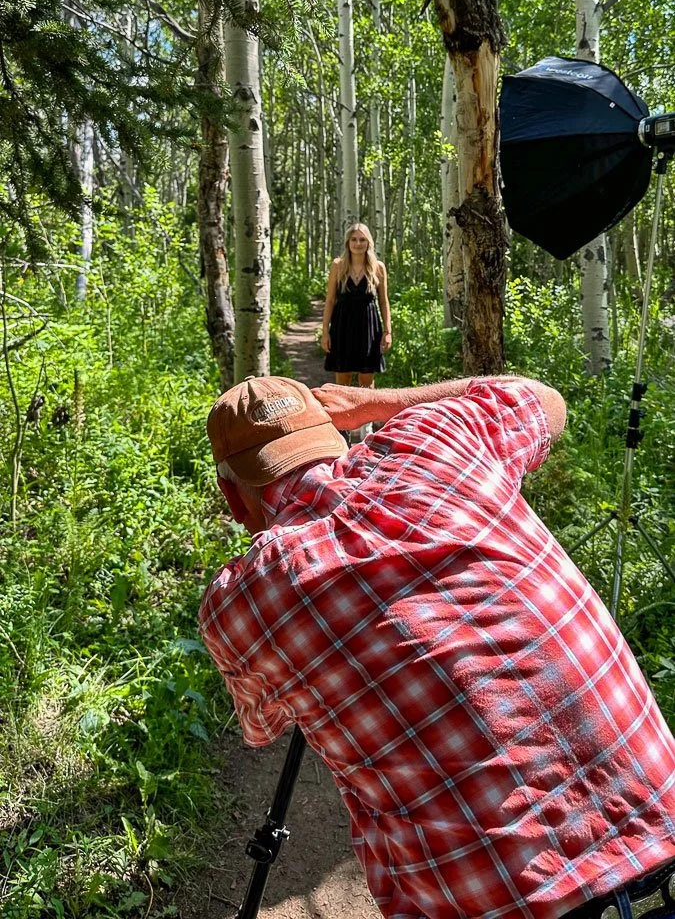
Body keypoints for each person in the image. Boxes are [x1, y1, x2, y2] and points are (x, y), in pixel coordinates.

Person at [199, 374, 675, 919]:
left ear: (233, 499)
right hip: (655, 818)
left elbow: (262, 727)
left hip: (500, 902)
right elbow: (545, 399)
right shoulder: (437, 437)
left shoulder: (241, 601)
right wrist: (379, 403)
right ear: (337, 435)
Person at [322, 223, 392, 388]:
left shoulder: (378, 267)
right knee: (342, 379)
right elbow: (330, 300)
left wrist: (387, 331)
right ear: (348, 242)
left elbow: (383, 300)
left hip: (369, 327)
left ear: (368, 242)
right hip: (342, 326)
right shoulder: (338, 266)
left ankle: (368, 413)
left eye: (362, 239)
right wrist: (325, 331)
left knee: (366, 382)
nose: (358, 243)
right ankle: (342, 413)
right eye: (354, 239)